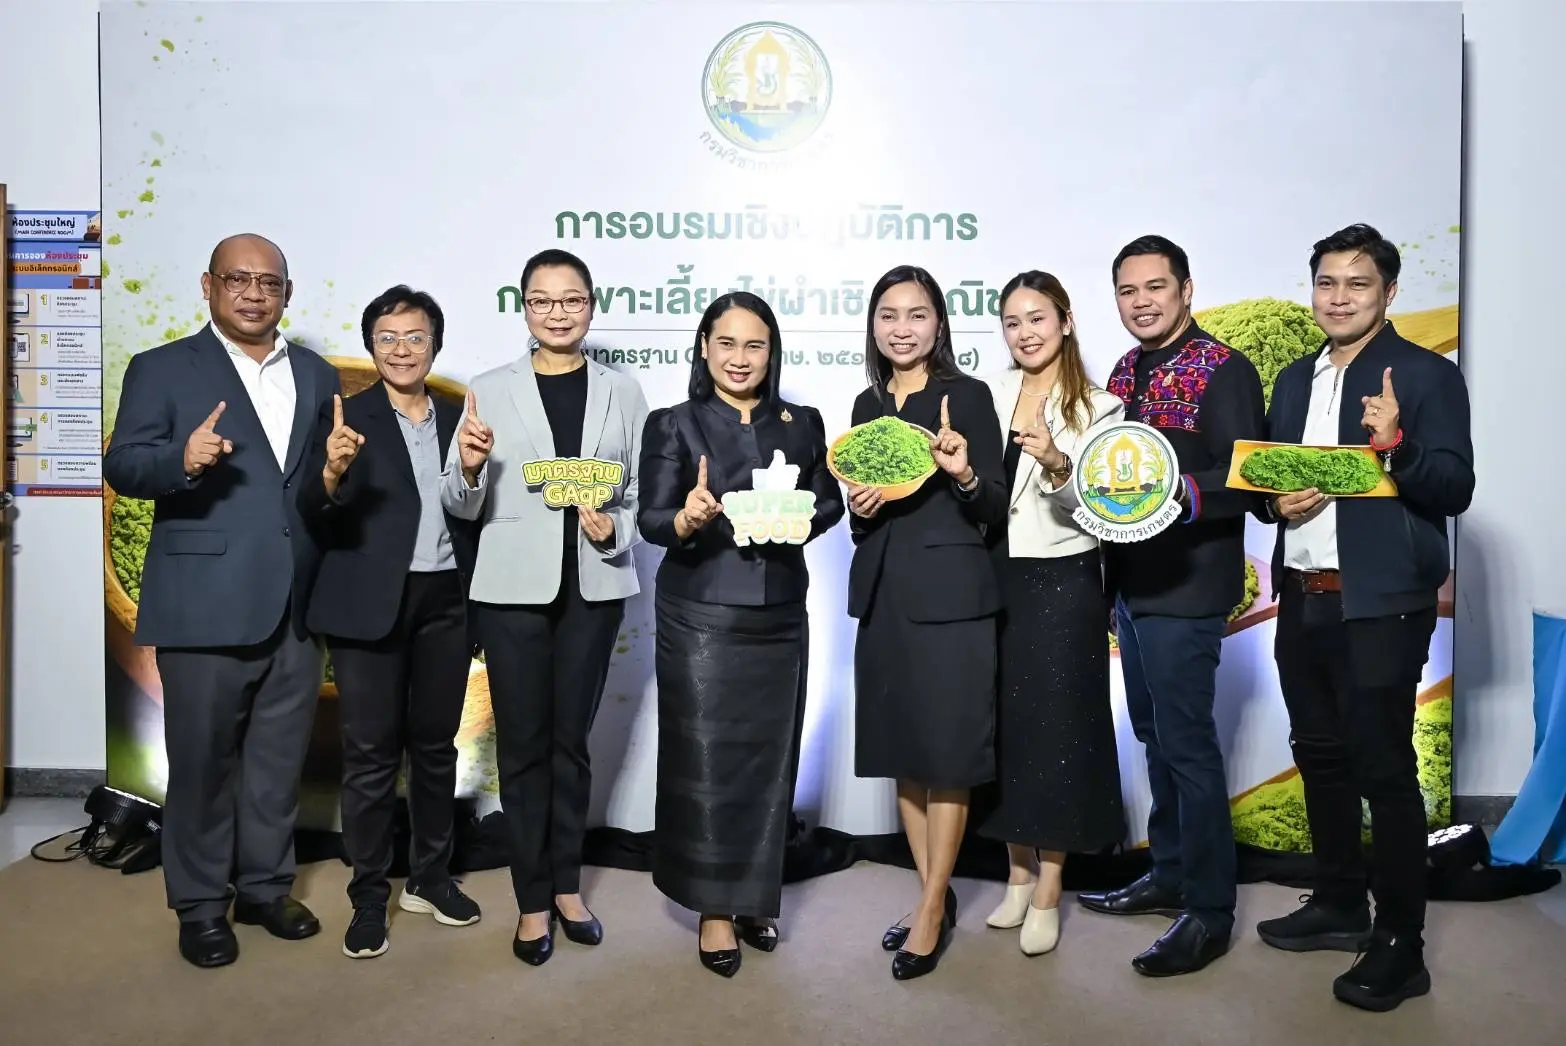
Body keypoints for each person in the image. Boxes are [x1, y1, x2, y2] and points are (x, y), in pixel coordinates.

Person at [103, 233, 340, 969]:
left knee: (277, 761)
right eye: (238, 279)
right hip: (203, 602)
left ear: (287, 294)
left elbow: (305, 491)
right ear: (208, 286)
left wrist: (334, 480)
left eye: (269, 283)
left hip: (295, 603)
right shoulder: (162, 367)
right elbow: (123, 465)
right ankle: (201, 904)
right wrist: (180, 460)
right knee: (203, 763)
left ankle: (265, 888)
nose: (254, 294)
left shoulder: (317, 372)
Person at [1253, 224, 1473, 1012]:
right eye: (1327, 282)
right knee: (1319, 756)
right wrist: (1272, 504)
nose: (1338, 297)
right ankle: (1340, 901)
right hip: (1301, 595)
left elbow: (1454, 488)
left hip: (1381, 604)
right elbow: (1269, 480)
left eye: (1357, 283)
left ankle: (1401, 943)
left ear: (1388, 292)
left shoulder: (1426, 375)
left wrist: (1396, 445)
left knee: (1383, 768)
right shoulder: (1292, 379)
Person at [440, 249, 649, 966]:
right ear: (523, 307)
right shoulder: (488, 389)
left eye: (571, 299)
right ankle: (532, 900)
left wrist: (614, 528)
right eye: (542, 300)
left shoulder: (624, 391)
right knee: (523, 748)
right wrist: (470, 468)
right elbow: (458, 501)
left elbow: (639, 494)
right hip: (511, 594)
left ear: (591, 304)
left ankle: (566, 887)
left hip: (594, 589)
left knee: (570, 746)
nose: (557, 313)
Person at [637, 292, 845, 978]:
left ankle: (755, 897)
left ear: (771, 352)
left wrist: (800, 516)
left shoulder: (802, 422)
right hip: (700, 614)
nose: (739, 358)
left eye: (754, 345)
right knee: (704, 762)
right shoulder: (673, 423)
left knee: (769, 760)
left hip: (780, 613)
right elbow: (652, 520)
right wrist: (689, 518)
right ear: (704, 347)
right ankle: (713, 908)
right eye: (726, 343)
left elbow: (828, 502)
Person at [1076, 235, 1264, 977]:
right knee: (1154, 735)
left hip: (1187, 590)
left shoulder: (1224, 368)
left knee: (1187, 745)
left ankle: (1210, 912)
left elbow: (1247, 477)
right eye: (1128, 291)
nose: (1142, 302)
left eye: (1156, 287)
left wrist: (1174, 492)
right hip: (1130, 587)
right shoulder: (1125, 370)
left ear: (1186, 289)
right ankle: (1170, 871)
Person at [297, 285, 482, 960]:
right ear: (372, 346)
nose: (402, 350)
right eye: (388, 338)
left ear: (436, 343)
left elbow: (478, 511)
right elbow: (311, 510)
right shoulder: (344, 417)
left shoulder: (462, 416)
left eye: (415, 337)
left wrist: (474, 470)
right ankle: (369, 895)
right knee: (371, 755)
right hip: (368, 605)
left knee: (436, 748)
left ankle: (430, 878)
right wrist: (331, 472)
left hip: (447, 601)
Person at [847, 265, 1009, 981]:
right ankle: (929, 899)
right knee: (905, 754)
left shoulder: (966, 395)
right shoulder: (866, 403)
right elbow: (867, 514)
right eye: (889, 314)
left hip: (952, 600)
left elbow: (994, 505)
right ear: (874, 324)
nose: (902, 328)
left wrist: (964, 472)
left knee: (947, 757)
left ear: (939, 323)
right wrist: (858, 510)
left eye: (917, 314)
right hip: (885, 596)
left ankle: (931, 908)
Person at [976, 271, 1127, 956]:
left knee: (1058, 730)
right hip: (993, 575)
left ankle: (1049, 886)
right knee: (1004, 728)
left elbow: (1103, 510)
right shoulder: (986, 394)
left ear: (1065, 321)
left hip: (1064, 578)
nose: (1025, 332)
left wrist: (1059, 463)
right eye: (1012, 321)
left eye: (1037, 318)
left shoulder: (1102, 408)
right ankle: (1015, 873)